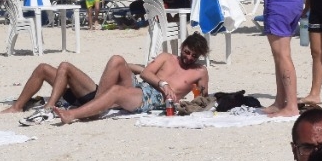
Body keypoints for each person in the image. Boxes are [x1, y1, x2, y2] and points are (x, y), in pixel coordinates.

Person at [51, 33, 210, 124]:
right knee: (117, 59)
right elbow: (146, 73)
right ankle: (95, 108)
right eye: (187, 52)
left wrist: (185, 101)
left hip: (156, 98)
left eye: (194, 56)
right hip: (144, 87)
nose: (189, 58)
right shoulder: (166, 57)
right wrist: (163, 83)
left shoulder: (200, 72)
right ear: (182, 47)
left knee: (116, 91)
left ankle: (72, 114)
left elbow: (202, 100)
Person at [1, 57, 137, 122]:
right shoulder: (132, 68)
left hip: (96, 99)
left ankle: (48, 108)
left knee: (65, 66)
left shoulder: (139, 86)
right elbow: (136, 68)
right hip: (88, 94)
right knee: (43, 68)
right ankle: (17, 107)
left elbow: (142, 72)